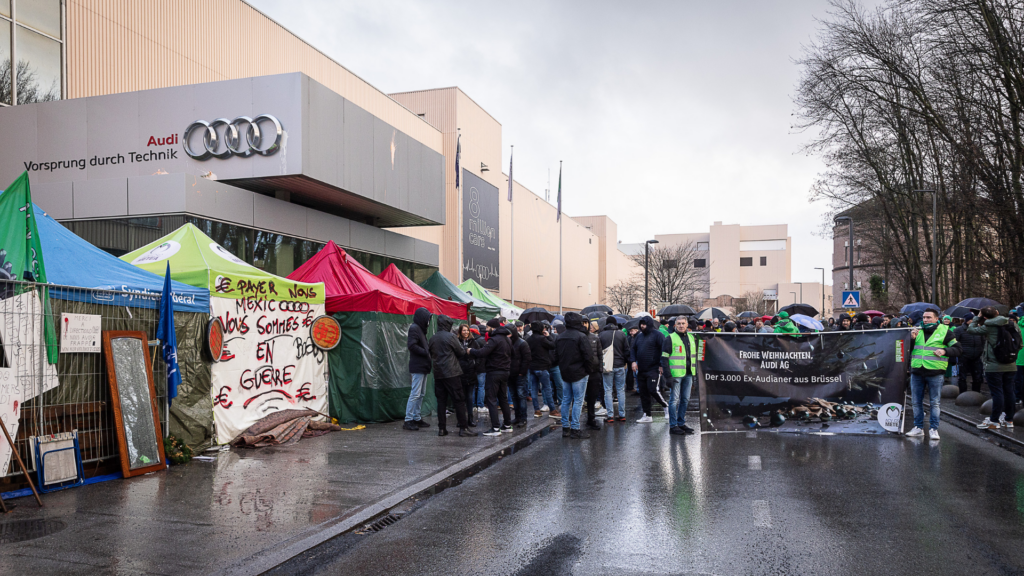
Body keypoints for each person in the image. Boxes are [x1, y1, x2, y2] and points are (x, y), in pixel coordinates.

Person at [907, 308, 962, 440]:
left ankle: (933, 429)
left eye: (929, 317)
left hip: (935, 372)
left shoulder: (945, 331)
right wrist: (911, 339)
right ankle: (918, 427)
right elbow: (906, 349)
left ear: (936, 319)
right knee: (916, 401)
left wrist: (945, 351)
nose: (925, 320)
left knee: (935, 402)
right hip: (917, 371)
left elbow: (958, 349)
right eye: (924, 317)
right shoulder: (916, 330)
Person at [970, 307, 1020, 430]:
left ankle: (994, 420)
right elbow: (1020, 343)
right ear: (997, 313)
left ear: (985, 317)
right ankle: (1009, 420)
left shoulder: (989, 326)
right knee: (1009, 392)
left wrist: (977, 317)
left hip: (993, 365)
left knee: (997, 393)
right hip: (1011, 364)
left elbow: (971, 329)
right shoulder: (1013, 324)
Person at [428, 316, 476, 437]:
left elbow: (431, 353)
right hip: (452, 372)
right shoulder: (451, 337)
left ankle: (442, 429)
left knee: (441, 401)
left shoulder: (433, 338)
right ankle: (463, 428)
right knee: (459, 400)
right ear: (447, 325)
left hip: (438, 373)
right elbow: (460, 352)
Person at [555, 312, 598, 439]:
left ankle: (565, 428)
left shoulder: (560, 337)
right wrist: (589, 370)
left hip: (565, 372)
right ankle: (575, 428)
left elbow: (556, 356)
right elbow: (588, 355)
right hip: (579, 372)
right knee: (578, 401)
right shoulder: (581, 336)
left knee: (566, 400)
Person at [468, 318, 514, 436]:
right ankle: (507, 425)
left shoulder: (494, 340)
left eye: (488, 327)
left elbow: (482, 352)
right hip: (505, 372)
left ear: (492, 328)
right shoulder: (507, 339)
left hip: (494, 372)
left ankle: (495, 428)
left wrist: (470, 350)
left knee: (491, 399)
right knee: (503, 398)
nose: (486, 330)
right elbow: (512, 354)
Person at [662, 316, 697, 435]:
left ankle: (681, 423)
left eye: (683, 323)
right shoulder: (670, 338)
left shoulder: (691, 338)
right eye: (679, 324)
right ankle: (673, 425)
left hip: (688, 373)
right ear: (675, 325)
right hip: (675, 375)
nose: (681, 325)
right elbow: (664, 358)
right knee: (674, 400)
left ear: (687, 325)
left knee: (685, 399)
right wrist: (668, 376)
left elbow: (693, 357)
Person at [631, 316, 667, 423]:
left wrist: (661, 365)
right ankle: (647, 414)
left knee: (652, 390)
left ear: (649, 324)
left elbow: (663, 349)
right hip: (641, 368)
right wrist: (633, 361)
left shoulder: (658, 335)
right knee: (643, 392)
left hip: (654, 368)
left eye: (644, 324)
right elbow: (633, 349)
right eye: (641, 324)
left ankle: (666, 406)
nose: (642, 326)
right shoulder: (639, 336)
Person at [404, 307, 432, 431]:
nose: (428, 322)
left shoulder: (420, 329)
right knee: (415, 394)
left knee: (421, 394)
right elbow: (412, 345)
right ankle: (408, 419)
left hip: (423, 366)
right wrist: (426, 353)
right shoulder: (415, 328)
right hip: (418, 366)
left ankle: (416, 417)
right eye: (427, 319)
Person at [600, 316, 630, 424]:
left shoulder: (601, 334)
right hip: (620, 365)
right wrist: (626, 362)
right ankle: (622, 415)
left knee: (608, 390)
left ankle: (610, 415)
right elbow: (627, 350)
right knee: (620, 389)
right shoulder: (621, 334)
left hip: (607, 366)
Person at [527, 321, 557, 419]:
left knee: (534, 390)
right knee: (547, 389)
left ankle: (537, 410)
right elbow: (552, 345)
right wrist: (548, 336)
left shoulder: (529, 339)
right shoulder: (542, 339)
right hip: (542, 367)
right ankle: (553, 410)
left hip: (532, 367)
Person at [508, 320, 532, 428]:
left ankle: (523, 418)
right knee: (514, 395)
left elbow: (527, 359)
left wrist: (522, 372)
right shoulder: (508, 343)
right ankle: (518, 417)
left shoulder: (522, 343)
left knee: (520, 395)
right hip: (510, 373)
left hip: (519, 374)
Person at [583, 320, 605, 430]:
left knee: (592, 397)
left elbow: (600, 354)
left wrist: (600, 368)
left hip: (594, 371)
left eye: (586, 323)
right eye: (582, 323)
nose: (585, 325)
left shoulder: (595, 338)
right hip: (582, 372)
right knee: (580, 398)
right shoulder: (579, 337)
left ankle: (591, 419)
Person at [954, 312, 985, 393]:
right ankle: (963, 394)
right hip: (964, 356)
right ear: (968, 320)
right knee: (962, 377)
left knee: (977, 377)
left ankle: (976, 394)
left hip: (976, 356)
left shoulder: (979, 329)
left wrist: (980, 351)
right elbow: (955, 343)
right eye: (972, 319)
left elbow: (983, 342)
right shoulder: (959, 330)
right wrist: (961, 352)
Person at [457, 324, 481, 428]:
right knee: (461, 398)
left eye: (467, 330)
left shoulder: (474, 342)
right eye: (464, 330)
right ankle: (461, 419)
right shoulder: (457, 342)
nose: (466, 332)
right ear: (460, 331)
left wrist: (476, 366)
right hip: (460, 372)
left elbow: (479, 355)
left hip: (471, 372)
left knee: (470, 397)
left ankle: (470, 418)